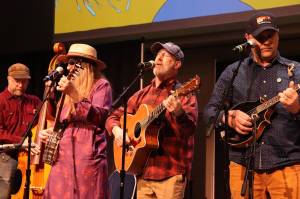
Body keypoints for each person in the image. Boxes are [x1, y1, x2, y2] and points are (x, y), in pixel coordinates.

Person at [203, 11, 300, 198]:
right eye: (260, 37)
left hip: (287, 164)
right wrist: (229, 118)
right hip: (242, 165)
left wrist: (297, 108)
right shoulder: (234, 71)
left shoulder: (296, 71)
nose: (266, 41)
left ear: (278, 35)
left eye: (270, 35)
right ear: (248, 39)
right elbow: (209, 111)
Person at [105, 42, 198, 199]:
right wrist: (117, 131)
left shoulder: (184, 93)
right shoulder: (141, 94)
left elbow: (189, 129)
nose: (159, 58)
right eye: (158, 54)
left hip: (170, 172)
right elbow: (113, 117)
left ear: (177, 64)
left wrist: (178, 111)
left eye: (166, 55)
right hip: (143, 173)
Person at [39, 43, 112, 198]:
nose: (69, 68)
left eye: (72, 63)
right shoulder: (68, 90)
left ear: (84, 65)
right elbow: (62, 121)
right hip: (63, 155)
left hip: (86, 156)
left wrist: (74, 93)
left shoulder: (101, 85)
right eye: (68, 63)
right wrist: (52, 131)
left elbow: (99, 116)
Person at [0, 63, 41, 199]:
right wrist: (22, 142)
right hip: (6, 156)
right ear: (8, 79)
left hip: (30, 156)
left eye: (24, 82)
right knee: (4, 193)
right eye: (17, 81)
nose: (21, 85)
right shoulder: (1, 101)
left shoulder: (34, 101)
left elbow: (48, 119)